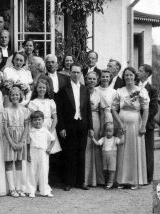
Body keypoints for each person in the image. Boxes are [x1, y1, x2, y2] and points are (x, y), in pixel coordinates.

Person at [56, 62, 94, 191]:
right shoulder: (63, 90)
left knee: (81, 153)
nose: (76, 74)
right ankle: (68, 181)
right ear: (70, 73)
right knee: (69, 153)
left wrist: (91, 128)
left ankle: (81, 181)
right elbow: (59, 111)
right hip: (69, 125)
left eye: (78, 72)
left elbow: (88, 109)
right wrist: (61, 127)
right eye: (74, 72)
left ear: (81, 74)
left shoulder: (85, 89)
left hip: (82, 125)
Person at [111, 67, 149, 190]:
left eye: (131, 75)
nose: (128, 77)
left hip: (135, 123)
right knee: (122, 151)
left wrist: (143, 126)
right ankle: (122, 180)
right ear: (124, 77)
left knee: (134, 151)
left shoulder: (141, 90)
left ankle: (134, 181)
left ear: (135, 76)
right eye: (126, 75)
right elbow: (113, 108)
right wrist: (119, 124)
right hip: (122, 123)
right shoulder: (119, 91)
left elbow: (146, 109)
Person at [3, 87, 30, 197]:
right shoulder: (6, 110)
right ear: (10, 97)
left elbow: (26, 126)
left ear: (20, 96)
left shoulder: (25, 110)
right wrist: (12, 143)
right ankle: (12, 188)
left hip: (20, 138)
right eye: (13, 95)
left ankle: (19, 188)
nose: (15, 97)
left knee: (19, 161)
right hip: (10, 138)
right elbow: (5, 128)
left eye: (17, 95)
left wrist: (21, 142)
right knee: (9, 161)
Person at [137, 64, 159, 184]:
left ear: (147, 74)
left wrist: (142, 119)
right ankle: (138, 175)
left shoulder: (152, 89)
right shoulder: (134, 86)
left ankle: (148, 177)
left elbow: (154, 108)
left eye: (140, 71)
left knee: (147, 151)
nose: (138, 73)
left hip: (147, 125)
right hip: (134, 122)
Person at [28, 78, 61, 154]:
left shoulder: (50, 101)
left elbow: (55, 118)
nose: (42, 89)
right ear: (36, 89)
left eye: (44, 88)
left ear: (46, 89)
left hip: (50, 128)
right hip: (38, 128)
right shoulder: (33, 103)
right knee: (40, 150)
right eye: (40, 87)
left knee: (50, 150)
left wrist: (50, 131)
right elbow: (33, 119)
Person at [26, 111, 55, 198]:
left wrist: (49, 149)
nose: (37, 122)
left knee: (44, 171)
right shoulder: (30, 131)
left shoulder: (45, 130)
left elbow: (53, 140)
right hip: (33, 152)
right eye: (35, 120)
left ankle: (45, 190)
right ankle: (31, 190)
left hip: (43, 153)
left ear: (43, 120)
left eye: (39, 120)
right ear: (32, 121)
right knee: (32, 171)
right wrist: (28, 154)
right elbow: (27, 143)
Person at [84, 71, 105, 188]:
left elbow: (102, 112)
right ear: (86, 80)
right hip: (84, 120)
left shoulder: (99, 93)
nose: (91, 81)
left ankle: (96, 179)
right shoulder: (82, 91)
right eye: (89, 79)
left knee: (95, 148)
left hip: (95, 119)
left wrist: (102, 127)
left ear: (97, 81)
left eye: (94, 79)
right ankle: (85, 179)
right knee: (86, 148)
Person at [91, 122, 124, 189]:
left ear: (113, 131)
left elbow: (121, 142)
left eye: (110, 131)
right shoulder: (103, 139)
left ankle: (110, 182)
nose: (108, 133)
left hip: (112, 158)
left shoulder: (115, 139)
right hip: (104, 157)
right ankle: (106, 181)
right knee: (105, 170)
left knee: (111, 170)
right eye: (107, 131)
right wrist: (92, 138)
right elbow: (97, 143)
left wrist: (123, 135)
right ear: (104, 131)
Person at [96, 69, 117, 134]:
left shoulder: (114, 92)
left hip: (109, 118)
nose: (105, 78)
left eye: (107, 77)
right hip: (97, 116)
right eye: (103, 76)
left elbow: (115, 108)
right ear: (100, 78)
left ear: (110, 78)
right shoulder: (95, 90)